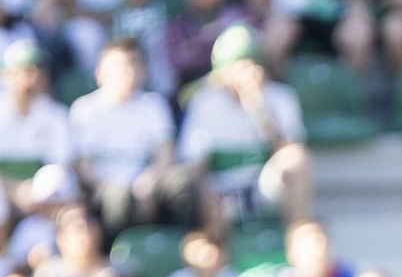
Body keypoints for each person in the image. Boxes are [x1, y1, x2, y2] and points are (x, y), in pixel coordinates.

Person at [177, 25, 313, 232]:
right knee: (196, 188)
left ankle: (298, 236)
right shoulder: (204, 102)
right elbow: (195, 161)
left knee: (296, 158)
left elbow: (287, 151)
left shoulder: (280, 97)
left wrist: (256, 104)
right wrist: (204, 189)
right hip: (221, 185)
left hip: (264, 183)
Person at [69, 36, 193, 238]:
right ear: (100, 72)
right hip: (105, 186)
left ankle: (179, 247)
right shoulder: (85, 109)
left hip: (148, 181)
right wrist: (117, 186)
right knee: (119, 197)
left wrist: (149, 182)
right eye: (119, 64)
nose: (127, 70)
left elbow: (166, 152)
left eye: (134, 63)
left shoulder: (154, 104)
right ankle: (117, 255)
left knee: (181, 182)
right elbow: (83, 166)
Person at [240, 0, 376, 79]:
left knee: (359, 33)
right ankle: (281, 95)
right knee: (274, 37)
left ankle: (347, 94)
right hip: (286, 16)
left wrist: (355, 12)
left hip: (335, 14)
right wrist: (271, 15)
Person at [0, 39, 72, 217]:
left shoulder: (56, 116)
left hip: (42, 207)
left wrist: (33, 192)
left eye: (39, 71)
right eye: (25, 71)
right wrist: (14, 191)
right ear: (6, 75)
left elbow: (58, 165)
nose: (33, 78)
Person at [163, 0, 249, 94]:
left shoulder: (237, 15)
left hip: (235, 90)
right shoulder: (178, 24)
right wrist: (213, 36)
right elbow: (180, 61)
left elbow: (246, 52)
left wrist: (197, 43)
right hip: (194, 94)